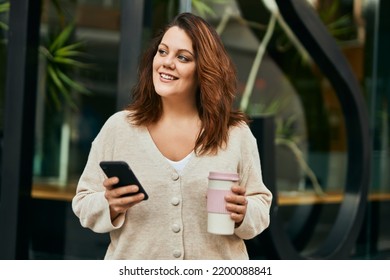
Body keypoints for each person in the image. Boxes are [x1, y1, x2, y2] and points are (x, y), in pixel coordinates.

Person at [72, 12, 272, 260]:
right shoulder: (119, 128)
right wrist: (109, 205)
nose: (166, 62)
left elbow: (261, 207)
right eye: (162, 51)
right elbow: (83, 203)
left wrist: (244, 213)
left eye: (183, 57)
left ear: (203, 71)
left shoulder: (235, 134)